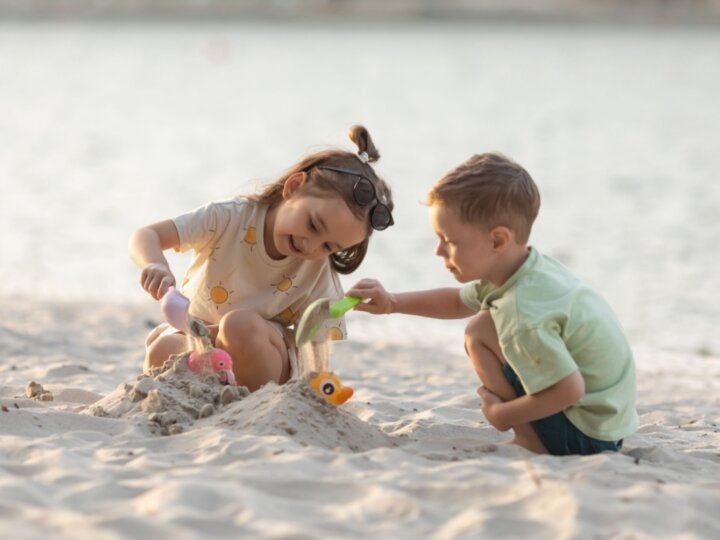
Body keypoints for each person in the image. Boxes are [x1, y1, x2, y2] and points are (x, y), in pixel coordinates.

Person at [348, 152, 638, 455]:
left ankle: (529, 439)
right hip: (607, 423)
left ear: (498, 241)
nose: (438, 251)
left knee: (479, 332)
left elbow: (569, 389)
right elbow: (457, 302)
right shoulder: (529, 269)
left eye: (450, 240)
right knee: (485, 321)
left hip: (586, 435)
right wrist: (392, 302)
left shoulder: (521, 311)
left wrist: (503, 416)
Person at [129, 125, 394, 391]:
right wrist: (155, 264)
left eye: (329, 246)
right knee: (164, 349)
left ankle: (249, 401)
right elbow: (147, 234)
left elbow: (316, 355)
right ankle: (213, 388)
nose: (311, 246)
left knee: (238, 325)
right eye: (312, 225)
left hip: (261, 353)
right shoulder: (228, 217)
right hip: (196, 333)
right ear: (294, 187)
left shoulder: (318, 272)